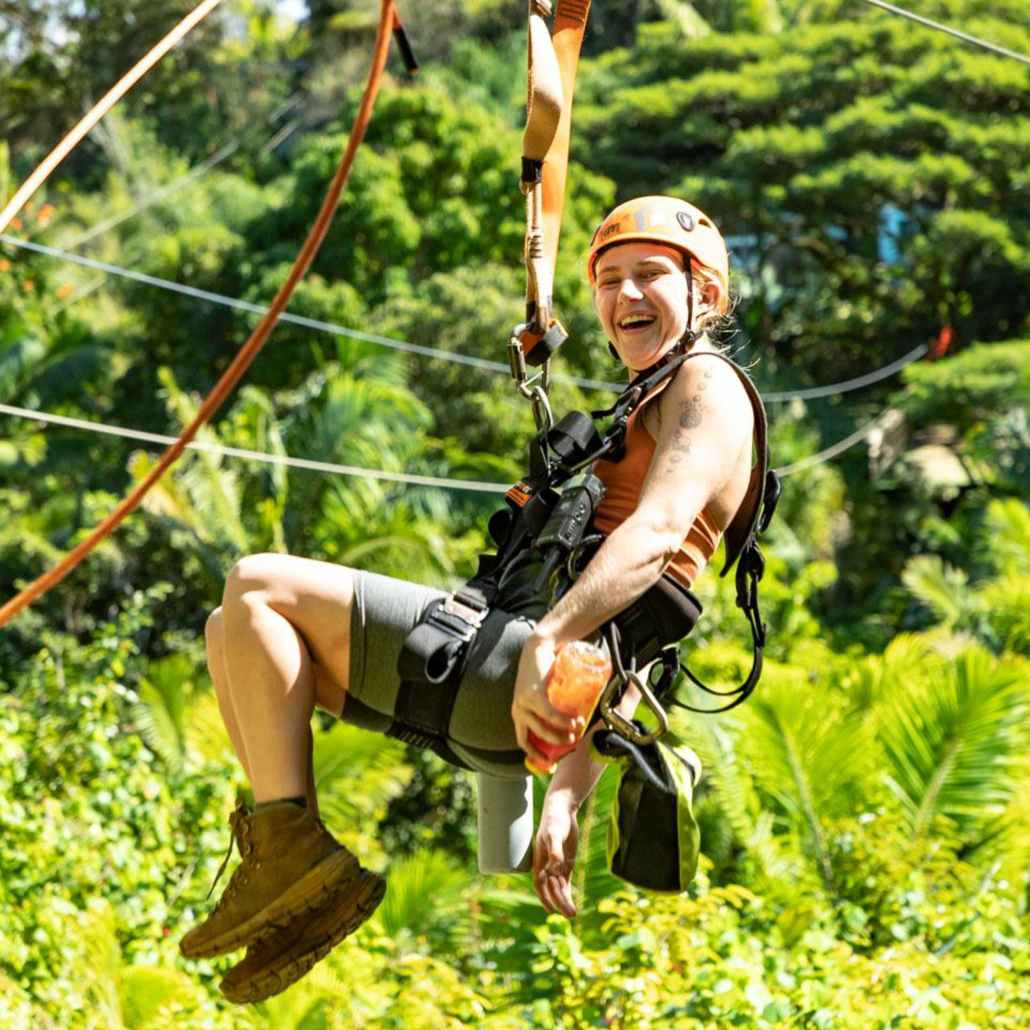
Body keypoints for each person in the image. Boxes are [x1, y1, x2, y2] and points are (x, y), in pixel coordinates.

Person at [178, 195, 756, 1004]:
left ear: (708, 295)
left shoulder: (707, 384)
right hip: (530, 700)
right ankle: (294, 876)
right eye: (610, 280)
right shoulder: (646, 400)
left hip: (523, 673)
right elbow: (639, 643)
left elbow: (655, 540)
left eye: (651, 276)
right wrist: (562, 796)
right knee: (230, 631)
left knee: (258, 585)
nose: (626, 297)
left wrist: (547, 645)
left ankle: (292, 852)